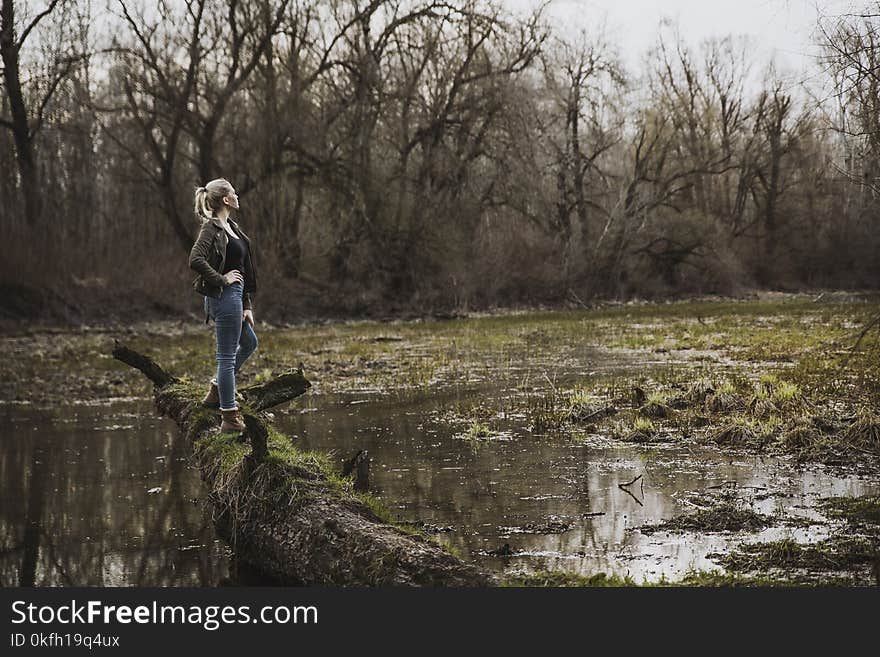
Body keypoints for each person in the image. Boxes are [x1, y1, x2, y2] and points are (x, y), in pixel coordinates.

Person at [188, 178, 259, 433]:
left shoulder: (233, 228)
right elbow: (195, 259)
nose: (238, 195)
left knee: (250, 343)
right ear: (226, 200)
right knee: (226, 358)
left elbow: (241, 268)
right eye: (234, 192)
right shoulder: (212, 228)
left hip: (236, 298)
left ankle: (217, 389)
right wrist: (221, 279)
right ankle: (229, 417)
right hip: (223, 297)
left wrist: (247, 304)